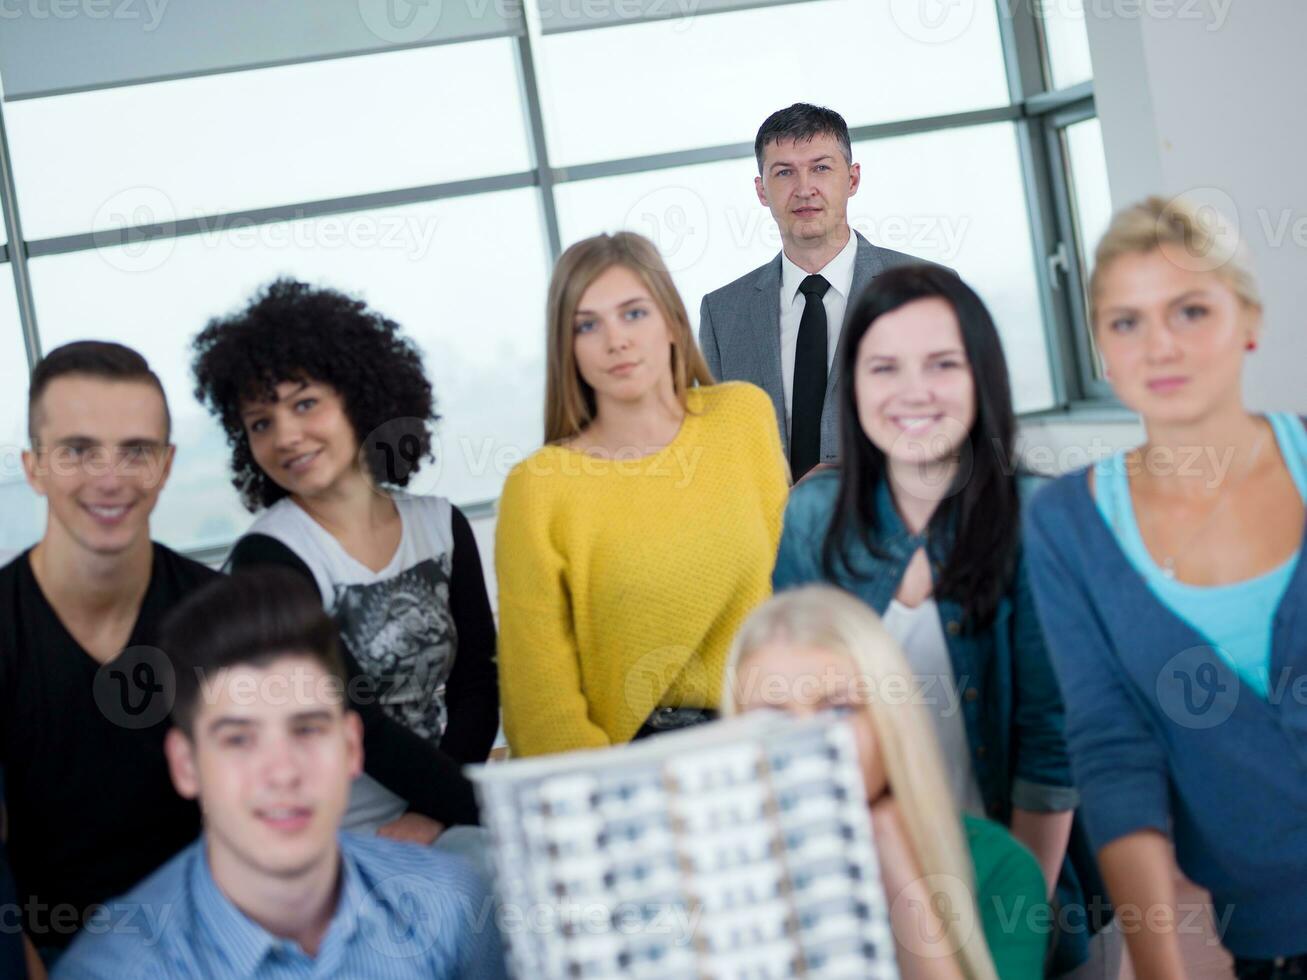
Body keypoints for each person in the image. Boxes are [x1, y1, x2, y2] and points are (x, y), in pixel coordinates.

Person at [772, 265, 1112, 975]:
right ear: (853, 387)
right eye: (883, 367)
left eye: (941, 364)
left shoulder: (1038, 519)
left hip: (1016, 881)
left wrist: (1009, 922)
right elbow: (785, 732)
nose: (912, 391)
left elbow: (1051, 752)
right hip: (860, 896)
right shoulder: (810, 519)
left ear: (980, 376)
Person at [1025, 196, 1307, 979]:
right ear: (1102, 352)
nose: (1159, 347)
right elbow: (1113, 750)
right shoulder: (1066, 524)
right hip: (1272, 947)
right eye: (1125, 322)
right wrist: (1157, 966)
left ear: (1247, 320)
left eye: (1189, 310)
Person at [53, 568, 508, 978]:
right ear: (187, 765)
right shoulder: (113, 970)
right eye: (239, 740)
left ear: (351, 746)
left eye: (307, 729)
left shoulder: (454, 904)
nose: (282, 772)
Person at [191, 278, 496, 842]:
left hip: (446, 818)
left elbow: (478, 682)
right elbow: (355, 719)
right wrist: (477, 809)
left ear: (359, 398)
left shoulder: (441, 524)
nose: (286, 436)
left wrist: (437, 815)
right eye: (261, 422)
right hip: (340, 838)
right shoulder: (270, 558)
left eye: (305, 404)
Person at [495, 232, 789, 757]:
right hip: (630, 766)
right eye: (587, 325)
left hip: (768, 734)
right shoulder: (538, 488)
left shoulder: (742, 417)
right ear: (568, 348)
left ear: (672, 321)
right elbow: (538, 699)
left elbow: (787, 591)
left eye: (633, 314)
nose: (616, 341)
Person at [0, 342, 214, 960]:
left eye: (136, 451)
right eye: (77, 451)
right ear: (34, 466)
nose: (110, 478)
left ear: (167, 464)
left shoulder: (220, 618)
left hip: (213, 947)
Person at [724, 585, 1050, 980]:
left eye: (839, 708)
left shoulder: (1000, 866)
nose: (810, 742)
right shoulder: (709, 876)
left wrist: (899, 871)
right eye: (774, 721)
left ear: (890, 720)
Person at [699, 102, 931, 481]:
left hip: (899, 523)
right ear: (761, 189)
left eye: (821, 168)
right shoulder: (722, 313)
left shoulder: (925, 289)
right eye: (784, 172)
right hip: (775, 533)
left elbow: (960, 424)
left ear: (852, 179)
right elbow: (718, 447)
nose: (804, 189)